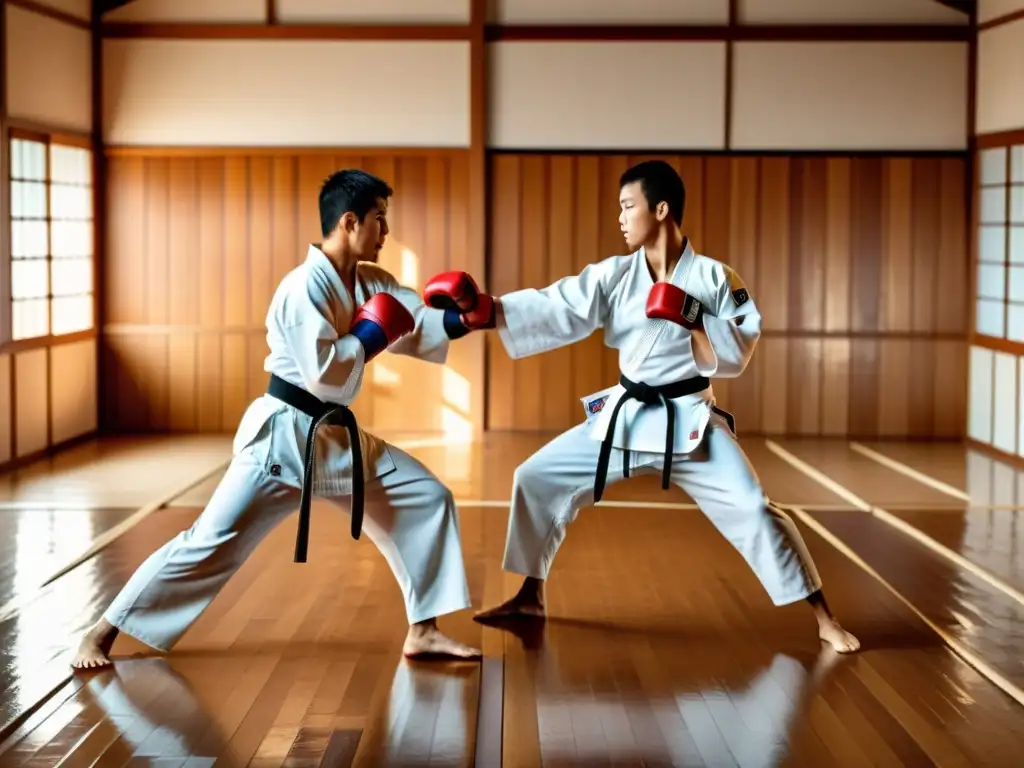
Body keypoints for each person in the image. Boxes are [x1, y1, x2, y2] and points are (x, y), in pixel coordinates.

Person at [423, 160, 860, 654]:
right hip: (628, 414)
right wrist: (486, 311)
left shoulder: (716, 277)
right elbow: (558, 305)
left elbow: (740, 350)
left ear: (662, 209)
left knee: (755, 509)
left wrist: (694, 316)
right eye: (620, 209)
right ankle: (530, 594)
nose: (621, 218)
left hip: (692, 421)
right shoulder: (614, 275)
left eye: (628, 207)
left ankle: (825, 618)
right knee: (536, 476)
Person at [72, 169, 482, 669]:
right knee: (208, 542)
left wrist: (461, 319)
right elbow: (327, 375)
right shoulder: (301, 288)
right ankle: (100, 632)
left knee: (426, 497)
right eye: (380, 219)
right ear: (350, 222)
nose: (386, 231)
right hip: (283, 440)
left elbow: (415, 320)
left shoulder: (371, 280)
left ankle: (424, 630)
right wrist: (373, 336)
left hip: (334, 438)